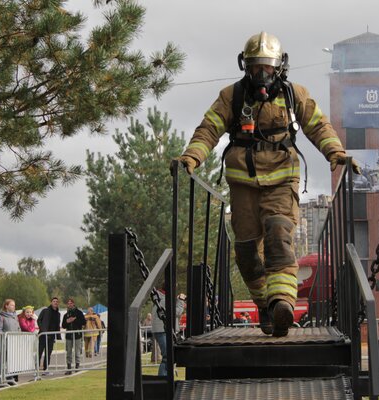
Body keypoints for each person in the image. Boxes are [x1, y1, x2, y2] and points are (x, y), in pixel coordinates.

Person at [174, 32, 359, 338]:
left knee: (278, 234)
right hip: (243, 184)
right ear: (245, 66)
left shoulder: (293, 94)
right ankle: (265, 305)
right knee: (247, 253)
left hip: (282, 181)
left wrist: (336, 153)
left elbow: (318, 125)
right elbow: (209, 128)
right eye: (255, 66)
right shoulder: (231, 96)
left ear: (280, 67)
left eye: (267, 67)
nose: (261, 73)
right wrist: (192, 156)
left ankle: (283, 302)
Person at [150, 289, 185, 377]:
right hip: (163, 330)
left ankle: (164, 378)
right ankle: (162, 380)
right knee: (167, 357)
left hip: (162, 330)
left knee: (168, 357)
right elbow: (176, 312)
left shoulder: (160, 298)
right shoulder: (165, 300)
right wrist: (180, 301)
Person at [61, 298, 86, 373]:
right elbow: (63, 326)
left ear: (73, 304)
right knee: (68, 352)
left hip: (77, 335)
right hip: (69, 335)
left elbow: (83, 322)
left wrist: (75, 320)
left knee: (77, 351)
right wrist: (67, 321)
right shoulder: (66, 315)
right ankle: (69, 368)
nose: (69, 304)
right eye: (68, 303)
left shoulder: (79, 313)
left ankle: (77, 367)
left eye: (71, 303)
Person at [37, 297, 62, 372]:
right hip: (43, 335)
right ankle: (36, 369)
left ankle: (46, 369)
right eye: (54, 301)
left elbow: (57, 325)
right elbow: (39, 320)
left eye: (57, 301)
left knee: (48, 353)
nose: (55, 302)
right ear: (51, 302)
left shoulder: (58, 314)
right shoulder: (45, 311)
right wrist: (42, 330)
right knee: (40, 352)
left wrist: (58, 336)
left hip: (52, 336)